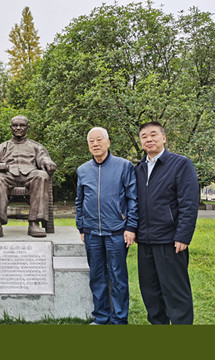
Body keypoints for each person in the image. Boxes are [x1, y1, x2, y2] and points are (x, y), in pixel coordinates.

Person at [135, 121, 199, 325]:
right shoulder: (139, 168)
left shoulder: (180, 164)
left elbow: (189, 203)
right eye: (144, 136)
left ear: (164, 138)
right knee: (151, 292)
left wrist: (183, 235)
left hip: (170, 241)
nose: (149, 139)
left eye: (153, 135)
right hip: (145, 241)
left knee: (175, 292)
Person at [75, 127, 138, 325]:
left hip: (117, 232)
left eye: (99, 140)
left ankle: (119, 319)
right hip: (92, 232)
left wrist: (131, 227)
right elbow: (79, 201)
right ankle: (101, 317)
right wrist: (81, 227)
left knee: (118, 276)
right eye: (91, 141)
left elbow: (133, 199)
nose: (95, 143)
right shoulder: (82, 170)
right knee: (97, 276)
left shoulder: (124, 166)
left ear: (108, 142)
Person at [0, 115, 57, 238]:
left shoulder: (36, 146)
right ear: (11, 127)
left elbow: (44, 157)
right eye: (15, 125)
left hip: (30, 175)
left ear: (27, 127)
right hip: (8, 175)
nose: (18, 128)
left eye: (22, 125)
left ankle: (34, 222)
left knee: (42, 175)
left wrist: (47, 162)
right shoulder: (2, 147)